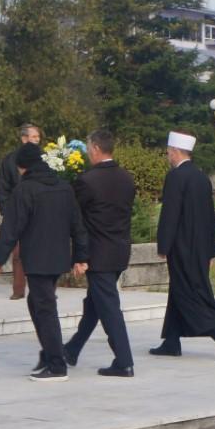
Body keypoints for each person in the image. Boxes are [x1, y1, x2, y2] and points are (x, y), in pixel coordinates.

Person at [0, 142, 89, 382]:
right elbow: (77, 225)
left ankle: (57, 365)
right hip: (58, 258)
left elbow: (11, 227)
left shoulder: (25, 189)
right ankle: (48, 354)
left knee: (44, 308)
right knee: (37, 303)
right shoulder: (64, 187)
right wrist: (80, 256)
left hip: (37, 258)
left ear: (22, 167)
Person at [151, 131, 215, 360]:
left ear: (175, 151)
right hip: (199, 247)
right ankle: (171, 341)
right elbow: (210, 216)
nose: (168, 155)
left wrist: (163, 245)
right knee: (179, 289)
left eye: (169, 151)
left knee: (187, 291)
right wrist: (210, 248)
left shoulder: (176, 177)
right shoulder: (201, 177)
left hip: (181, 246)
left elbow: (170, 214)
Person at [62, 129, 136, 377]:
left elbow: (76, 220)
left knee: (109, 307)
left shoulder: (87, 181)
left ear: (94, 149)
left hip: (99, 254)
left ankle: (124, 361)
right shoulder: (127, 178)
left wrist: (78, 257)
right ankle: (71, 350)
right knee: (94, 304)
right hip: (119, 251)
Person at [0, 123, 41, 300]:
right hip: (17, 212)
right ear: (24, 139)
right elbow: (3, 189)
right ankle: (18, 289)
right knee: (18, 254)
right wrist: (8, 212)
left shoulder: (45, 158)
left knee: (41, 251)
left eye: (38, 138)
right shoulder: (10, 160)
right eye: (33, 137)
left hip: (40, 213)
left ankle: (43, 288)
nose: (37, 141)